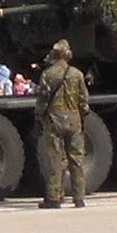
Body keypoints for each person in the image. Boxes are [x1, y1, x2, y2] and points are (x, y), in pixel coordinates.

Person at [36, 39, 90, 209]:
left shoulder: (47, 74)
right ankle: (79, 198)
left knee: (55, 160)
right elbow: (84, 101)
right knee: (76, 159)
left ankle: (53, 198)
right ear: (68, 54)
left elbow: (42, 100)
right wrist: (80, 115)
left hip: (54, 120)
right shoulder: (77, 74)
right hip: (74, 121)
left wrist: (39, 116)